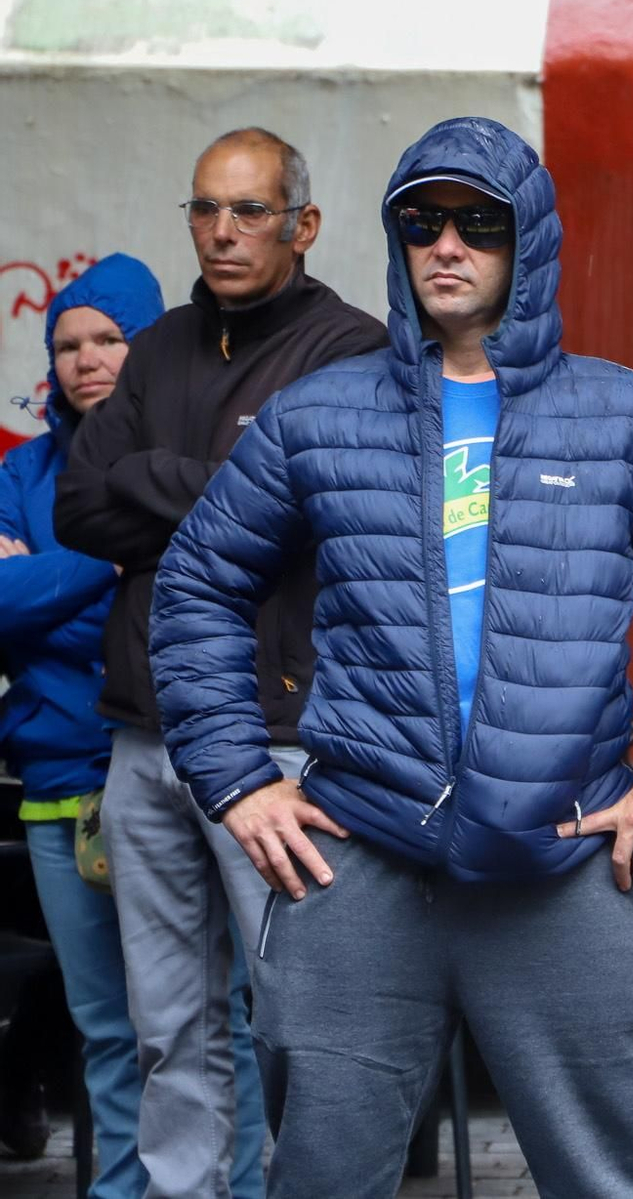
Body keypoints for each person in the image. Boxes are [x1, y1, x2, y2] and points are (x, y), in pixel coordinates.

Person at [146, 115, 633, 1197]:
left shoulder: (620, 418)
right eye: (423, 223)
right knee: (320, 1174)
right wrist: (239, 782)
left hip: (566, 849)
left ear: (526, 243)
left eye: (478, 225)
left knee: (612, 1180)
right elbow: (197, 584)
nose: (448, 246)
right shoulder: (319, 415)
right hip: (361, 852)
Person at [53, 128, 385, 1199]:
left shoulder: (350, 350)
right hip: (143, 735)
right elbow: (77, 506)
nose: (223, 232)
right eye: (204, 210)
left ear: (304, 224)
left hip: (275, 746)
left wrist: (153, 477)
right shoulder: (155, 350)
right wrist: (214, 491)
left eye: (248, 211)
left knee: (297, 1019)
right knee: (167, 1026)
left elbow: (310, 515)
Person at [0, 255, 167, 1198]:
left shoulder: (177, 449)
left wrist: (40, 580)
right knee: (104, 1024)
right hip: (58, 778)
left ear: (144, 344)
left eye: (107, 337)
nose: (86, 358)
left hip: (164, 768)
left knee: (198, 1018)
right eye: (66, 343)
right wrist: (112, 564)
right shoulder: (20, 470)